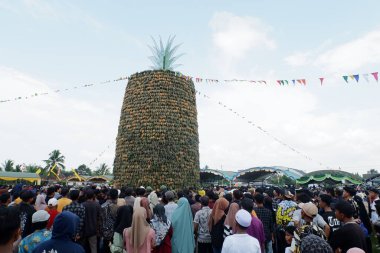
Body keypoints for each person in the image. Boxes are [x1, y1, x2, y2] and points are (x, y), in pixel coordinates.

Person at [82, 189, 102, 253]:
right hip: (94, 230)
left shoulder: (82, 205)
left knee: (84, 248)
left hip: (84, 230)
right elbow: (100, 218)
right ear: (93, 196)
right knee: (93, 248)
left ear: (85, 196)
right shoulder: (97, 205)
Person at [101, 188, 119, 253]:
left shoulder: (102, 206)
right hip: (114, 232)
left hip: (104, 232)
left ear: (109, 196)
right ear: (117, 196)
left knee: (105, 248)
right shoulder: (117, 207)